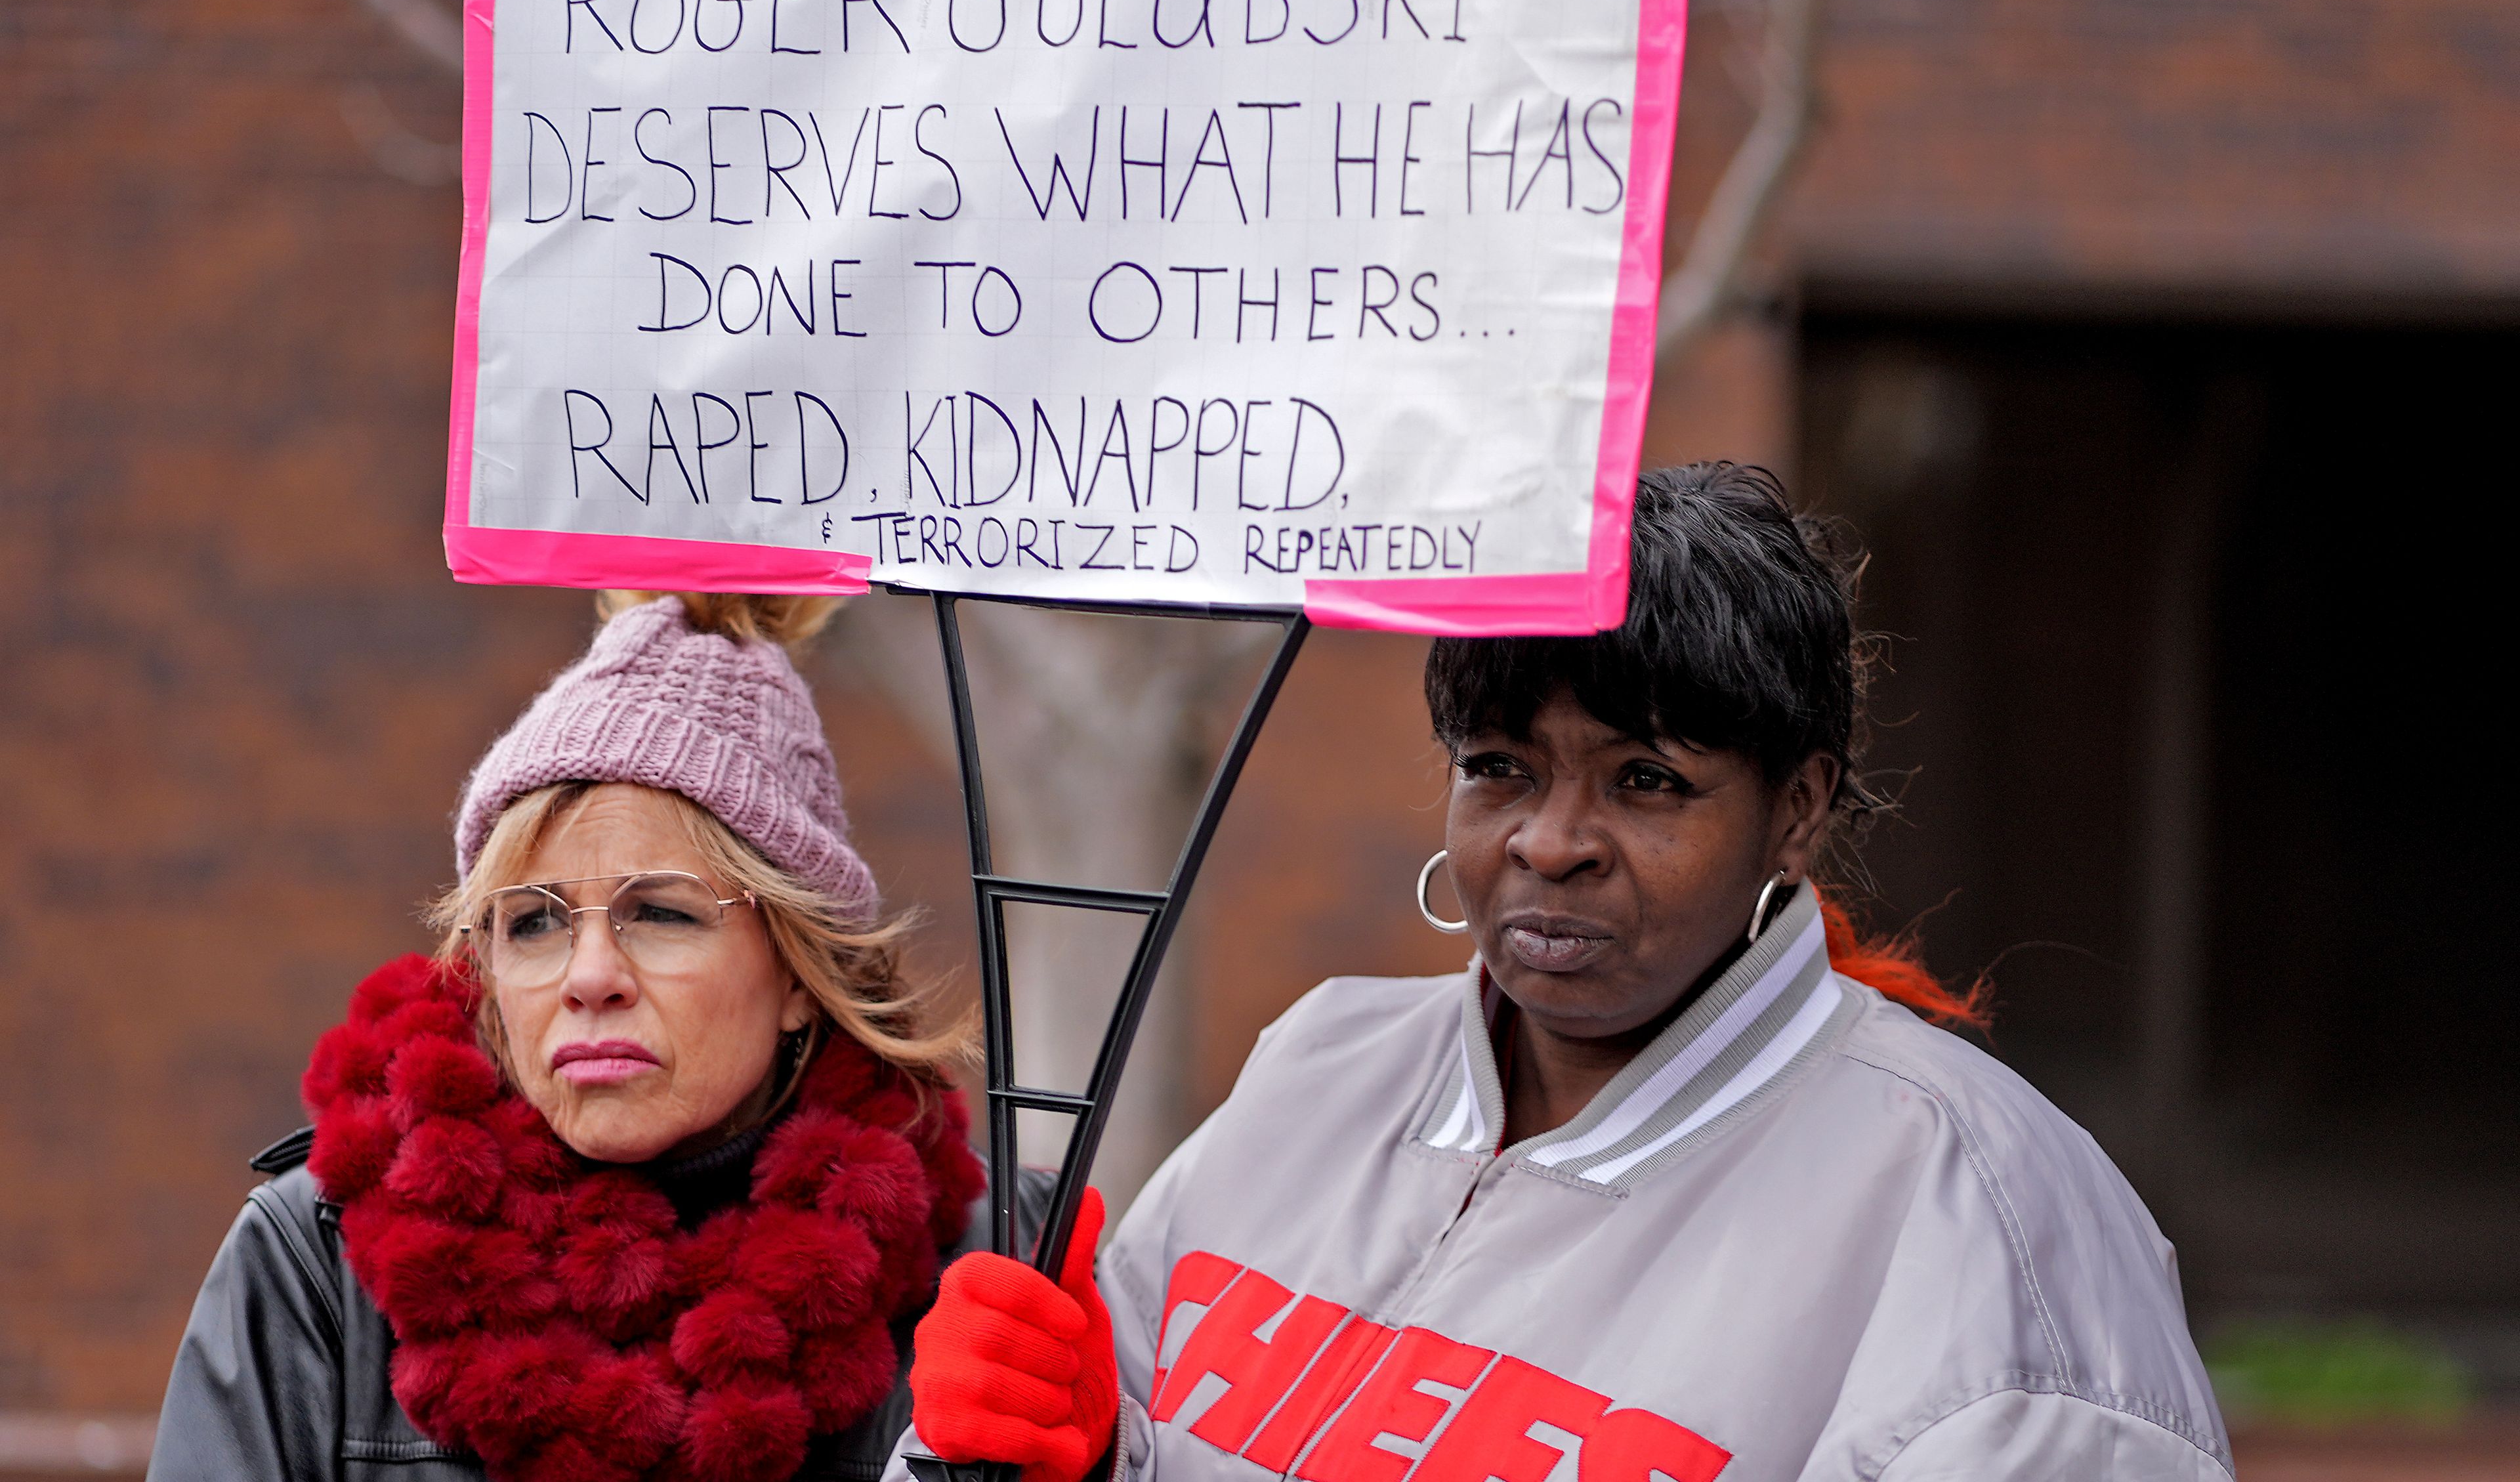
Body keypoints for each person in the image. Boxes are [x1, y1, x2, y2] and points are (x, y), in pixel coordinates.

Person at [904, 464, 2231, 1481]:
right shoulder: (1323, 1063)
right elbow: (1108, 1424)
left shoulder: (1981, 1216)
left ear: (1796, 809)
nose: (1551, 839)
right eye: (1500, 767)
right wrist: (1073, 1455)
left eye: (1646, 779)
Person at [153, 592, 1013, 1482]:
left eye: (662, 914)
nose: (588, 976)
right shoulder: (311, 1268)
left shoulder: (992, 1275)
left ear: (798, 971)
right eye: (533, 923)